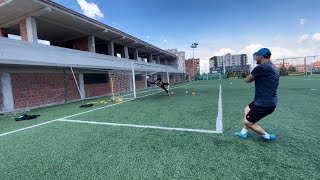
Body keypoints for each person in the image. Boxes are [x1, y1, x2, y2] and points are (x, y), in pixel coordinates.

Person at [235, 48, 280, 140]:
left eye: (256, 56)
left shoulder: (262, 67)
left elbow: (247, 80)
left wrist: (252, 74)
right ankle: (243, 132)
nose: (255, 58)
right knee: (247, 109)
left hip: (263, 104)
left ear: (261, 56)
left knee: (247, 122)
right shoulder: (274, 68)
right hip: (268, 101)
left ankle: (266, 135)